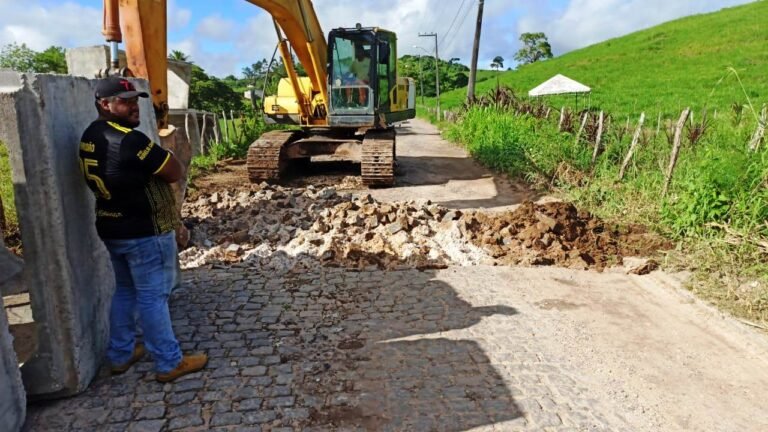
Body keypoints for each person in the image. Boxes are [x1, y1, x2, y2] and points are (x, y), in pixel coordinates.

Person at [79, 76, 207, 382]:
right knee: (153, 297)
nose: (134, 107)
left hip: (111, 226)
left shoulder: (91, 134)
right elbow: (173, 170)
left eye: (136, 101)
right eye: (125, 102)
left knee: (125, 290)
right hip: (144, 230)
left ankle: (120, 355)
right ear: (104, 104)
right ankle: (168, 362)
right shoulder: (130, 140)